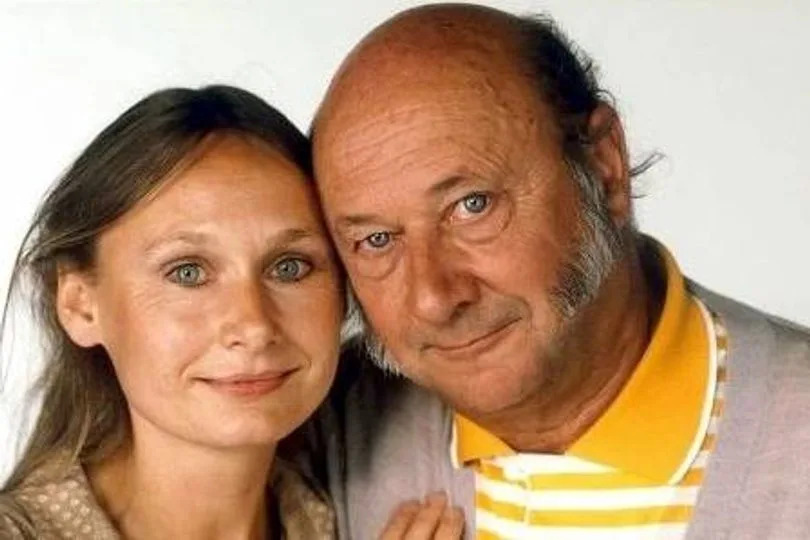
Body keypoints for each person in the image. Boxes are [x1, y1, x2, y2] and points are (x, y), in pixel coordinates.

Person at [306, 4, 810, 539]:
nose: (433, 297)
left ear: (604, 167)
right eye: (376, 240)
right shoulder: (317, 431)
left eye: (472, 204)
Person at [0, 85, 343, 539]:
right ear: (81, 306)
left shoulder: (362, 516)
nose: (255, 326)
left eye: (290, 266)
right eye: (187, 272)